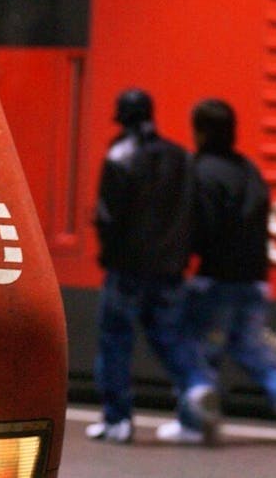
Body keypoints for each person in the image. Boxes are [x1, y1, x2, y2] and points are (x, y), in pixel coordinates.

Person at [159, 98, 276, 443]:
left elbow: (199, 227)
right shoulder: (249, 170)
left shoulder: (199, 170)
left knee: (196, 349)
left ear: (199, 130)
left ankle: (194, 422)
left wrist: (180, 260)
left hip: (216, 279)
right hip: (255, 280)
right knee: (250, 347)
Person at [86, 88, 218, 444]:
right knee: (173, 338)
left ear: (122, 118)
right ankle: (196, 384)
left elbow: (108, 217)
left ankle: (118, 421)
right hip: (169, 270)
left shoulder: (119, 156)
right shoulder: (181, 157)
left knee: (115, 341)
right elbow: (196, 213)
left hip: (126, 270)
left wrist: (107, 254)